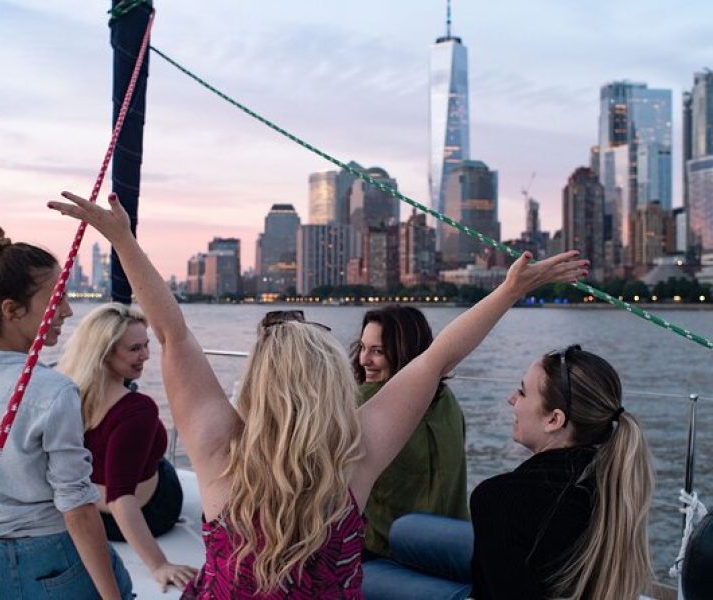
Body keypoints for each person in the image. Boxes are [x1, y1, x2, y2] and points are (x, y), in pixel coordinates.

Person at [48, 191, 586, 599]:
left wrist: (122, 239)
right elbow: (438, 357)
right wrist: (510, 291)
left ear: (258, 381)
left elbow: (172, 333)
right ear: (332, 382)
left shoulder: (217, 449)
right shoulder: (357, 458)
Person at [0, 225, 132, 599]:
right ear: (11, 310)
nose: (67, 311)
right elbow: (77, 509)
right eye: (56, 299)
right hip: (49, 558)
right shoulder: (53, 392)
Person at [366, 346, 654, 600]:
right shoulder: (610, 474)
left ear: (554, 420)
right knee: (405, 530)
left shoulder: (501, 499)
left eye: (522, 392)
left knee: (368, 577)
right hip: (549, 568)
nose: (511, 399)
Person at [57, 303, 197, 591]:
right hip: (149, 513)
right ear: (105, 352)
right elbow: (121, 498)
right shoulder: (137, 410)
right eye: (134, 349)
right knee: (162, 464)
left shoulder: (64, 392)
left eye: (146, 345)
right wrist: (159, 564)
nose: (145, 355)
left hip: (90, 517)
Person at [350, 305, 468, 560]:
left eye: (377, 351)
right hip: (450, 546)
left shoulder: (362, 402)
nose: (363, 360)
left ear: (404, 353)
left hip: (384, 549)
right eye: (362, 348)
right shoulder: (446, 399)